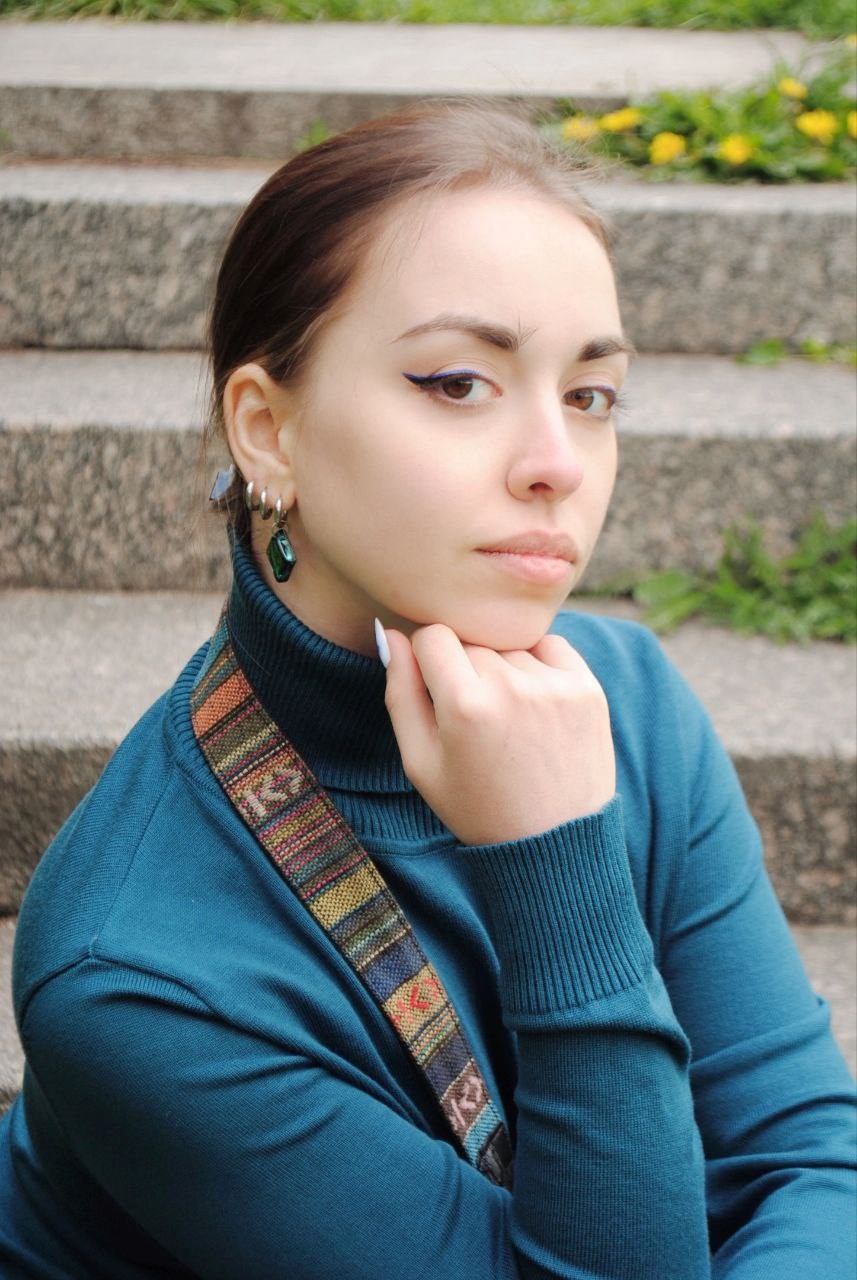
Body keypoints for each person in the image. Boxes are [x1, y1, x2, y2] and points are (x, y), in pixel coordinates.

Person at [0, 100, 854, 1280]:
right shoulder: (134, 970)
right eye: (457, 382)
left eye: (590, 395)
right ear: (267, 431)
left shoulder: (623, 699)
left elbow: (806, 1157)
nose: (554, 463)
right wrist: (554, 862)